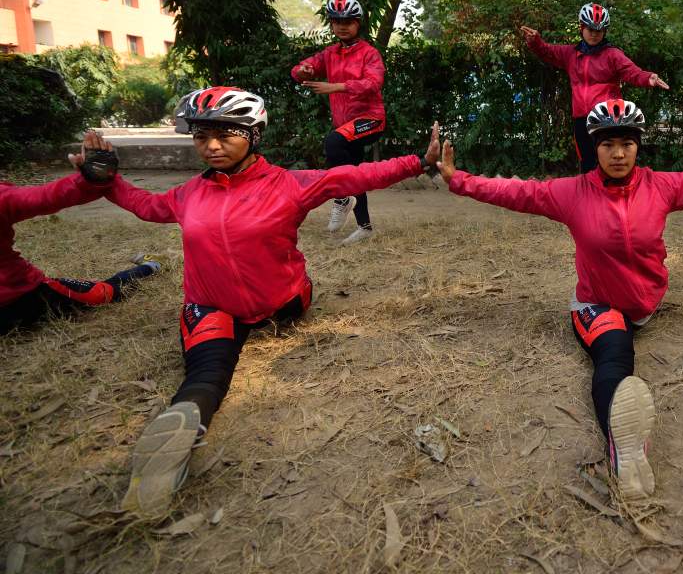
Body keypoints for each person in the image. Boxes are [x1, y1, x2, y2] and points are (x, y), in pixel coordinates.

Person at [105, 86, 440, 517]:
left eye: (225, 134)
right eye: (201, 135)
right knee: (206, 374)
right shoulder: (189, 194)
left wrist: (419, 161)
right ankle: (174, 438)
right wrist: (106, 180)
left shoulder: (290, 184)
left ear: (254, 135)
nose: (210, 146)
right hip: (212, 305)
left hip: (282, 304)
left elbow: (356, 177)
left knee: (240, 332)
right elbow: (147, 206)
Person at [438, 99, 683, 498]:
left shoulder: (662, 187)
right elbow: (517, 192)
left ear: (638, 147)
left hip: (645, 304)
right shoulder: (571, 193)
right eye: (607, 145)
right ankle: (624, 445)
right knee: (616, 354)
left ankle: (625, 435)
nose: (618, 154)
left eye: (627, 144)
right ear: (594, 148)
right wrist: (457, 178)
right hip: (596, 304)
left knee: (625, 334)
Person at [2, 131, 160, 334]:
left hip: (21, 295)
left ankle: (151, 266)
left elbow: (42, 197)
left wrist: (93, 179)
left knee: (101, 293)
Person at [520, 2, 669, 174]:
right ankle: (589, 198)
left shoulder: (612, 54)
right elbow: (548, 52)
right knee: (587, 161)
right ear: (581, 28)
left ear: (604, 31)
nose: (594, 34)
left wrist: (647, 77)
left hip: (607, 117)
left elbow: (631, 71)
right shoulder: (571, 54)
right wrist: (535, 42)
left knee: (608, 161)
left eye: (598, 30)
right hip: (581, 118)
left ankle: (615, 199)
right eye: (590, 29)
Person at [292, 0, 387, 245]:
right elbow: (301, 68)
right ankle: (364, 227)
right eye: (336, 21)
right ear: (331, 24)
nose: (342, 26)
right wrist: (304, 70)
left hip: (371, 119)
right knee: (352, 173)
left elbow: (373, 83)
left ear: (358, 23)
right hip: (346, 126)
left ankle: (342, 198)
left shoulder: (370, 54)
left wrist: (336, 86)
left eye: (348, 21)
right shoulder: (330, 53)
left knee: (333, 144)